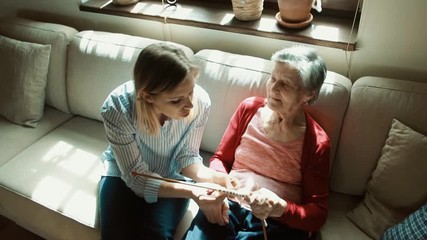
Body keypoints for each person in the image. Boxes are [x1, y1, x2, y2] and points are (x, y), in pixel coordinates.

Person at [184, 45, 330, 240]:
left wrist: (281, 208)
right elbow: (220, 159)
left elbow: (317, 214)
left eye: (285, 84)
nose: (273, 88)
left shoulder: (317, 142)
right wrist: (217, 188)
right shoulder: (249, 108)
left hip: (275, 222)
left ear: (309, 94)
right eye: (273, 78)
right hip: (228, 204)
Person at [98, 42, 236, 240]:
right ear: (147, 97)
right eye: (176, 100)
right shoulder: (117, 107)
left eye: (191, 92)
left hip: (172, 175)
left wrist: (214, 178)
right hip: (122, 174)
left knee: (157, 235)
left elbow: (186, 156)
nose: (189, 104)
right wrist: (193, 192)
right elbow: (135, 177)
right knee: (114, 234)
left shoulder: (201, 102)